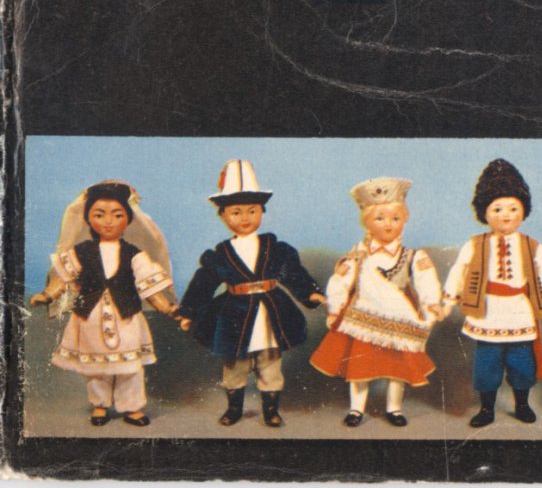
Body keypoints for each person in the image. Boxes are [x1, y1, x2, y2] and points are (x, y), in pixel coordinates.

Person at [179, 160, 325, 427]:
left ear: (262, 212)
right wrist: (189, 312)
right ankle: (234, 409)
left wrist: (310, 293)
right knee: (235, 366)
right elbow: (204, 283)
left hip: (270, 315)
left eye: (252, 211)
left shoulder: (274, 247)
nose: (245, 218)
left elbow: (292, 272)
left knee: (270, 364)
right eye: (236, 212)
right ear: (223, 216)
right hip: (234, 317)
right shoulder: (221, 253)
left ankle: (271, 410)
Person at [29, 181, 183, 427]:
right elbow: (63, 278)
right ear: (88, 219)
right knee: (96, 367)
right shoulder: (81, 251)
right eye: (99, 215)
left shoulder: (135, 254)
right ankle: (100, 404)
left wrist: (168, 308)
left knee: (130, 368)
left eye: (117, 215)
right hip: (90, 317)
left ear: (128, 219)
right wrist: (48, 295)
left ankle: (132, 407)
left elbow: (150, 289)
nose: (108, 222)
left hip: (126, 317)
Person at [442, 159, 542, 428]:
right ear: (484, 213)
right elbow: (458, 272)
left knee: (522, 363)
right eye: (497, 209)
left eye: (513, 208)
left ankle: (522, 404)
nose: (506, 215)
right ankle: (487, 408)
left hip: (520, 313)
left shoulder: (532, 246)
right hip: (487, 313)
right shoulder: (475, 245)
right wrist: (447, 303)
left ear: (524, 211)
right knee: (486, 364)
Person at [310, 177, 443, 427]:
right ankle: (356, 409)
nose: (388, 224)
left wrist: (432, 303)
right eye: (379, 218)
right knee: (359, 366)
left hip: (399, 319)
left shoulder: (413, 256)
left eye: (395, 218)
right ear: (367, 222)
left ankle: (394, 408)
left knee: (398, 367)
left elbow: (427, 282)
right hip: (363, 318)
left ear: (404, 220)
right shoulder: (358, 254)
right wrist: (335, 309)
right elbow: (340, 282)